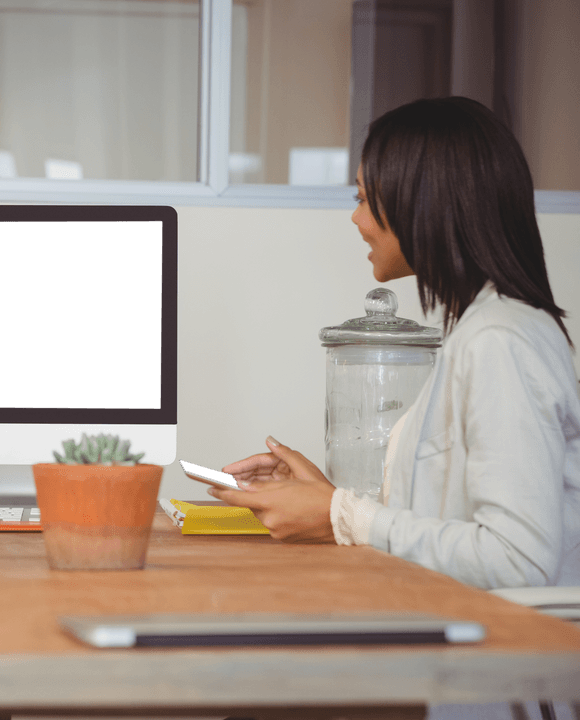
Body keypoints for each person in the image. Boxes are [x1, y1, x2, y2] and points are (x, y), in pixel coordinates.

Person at [210, 96, 580, 592]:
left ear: (420, 203)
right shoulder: (484, 330)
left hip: (505, 644)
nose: (355, 219)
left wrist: (344, 516)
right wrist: (327, 501)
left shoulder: (501, 340)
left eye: (363, 198)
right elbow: (444, 521)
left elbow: (517, 560)